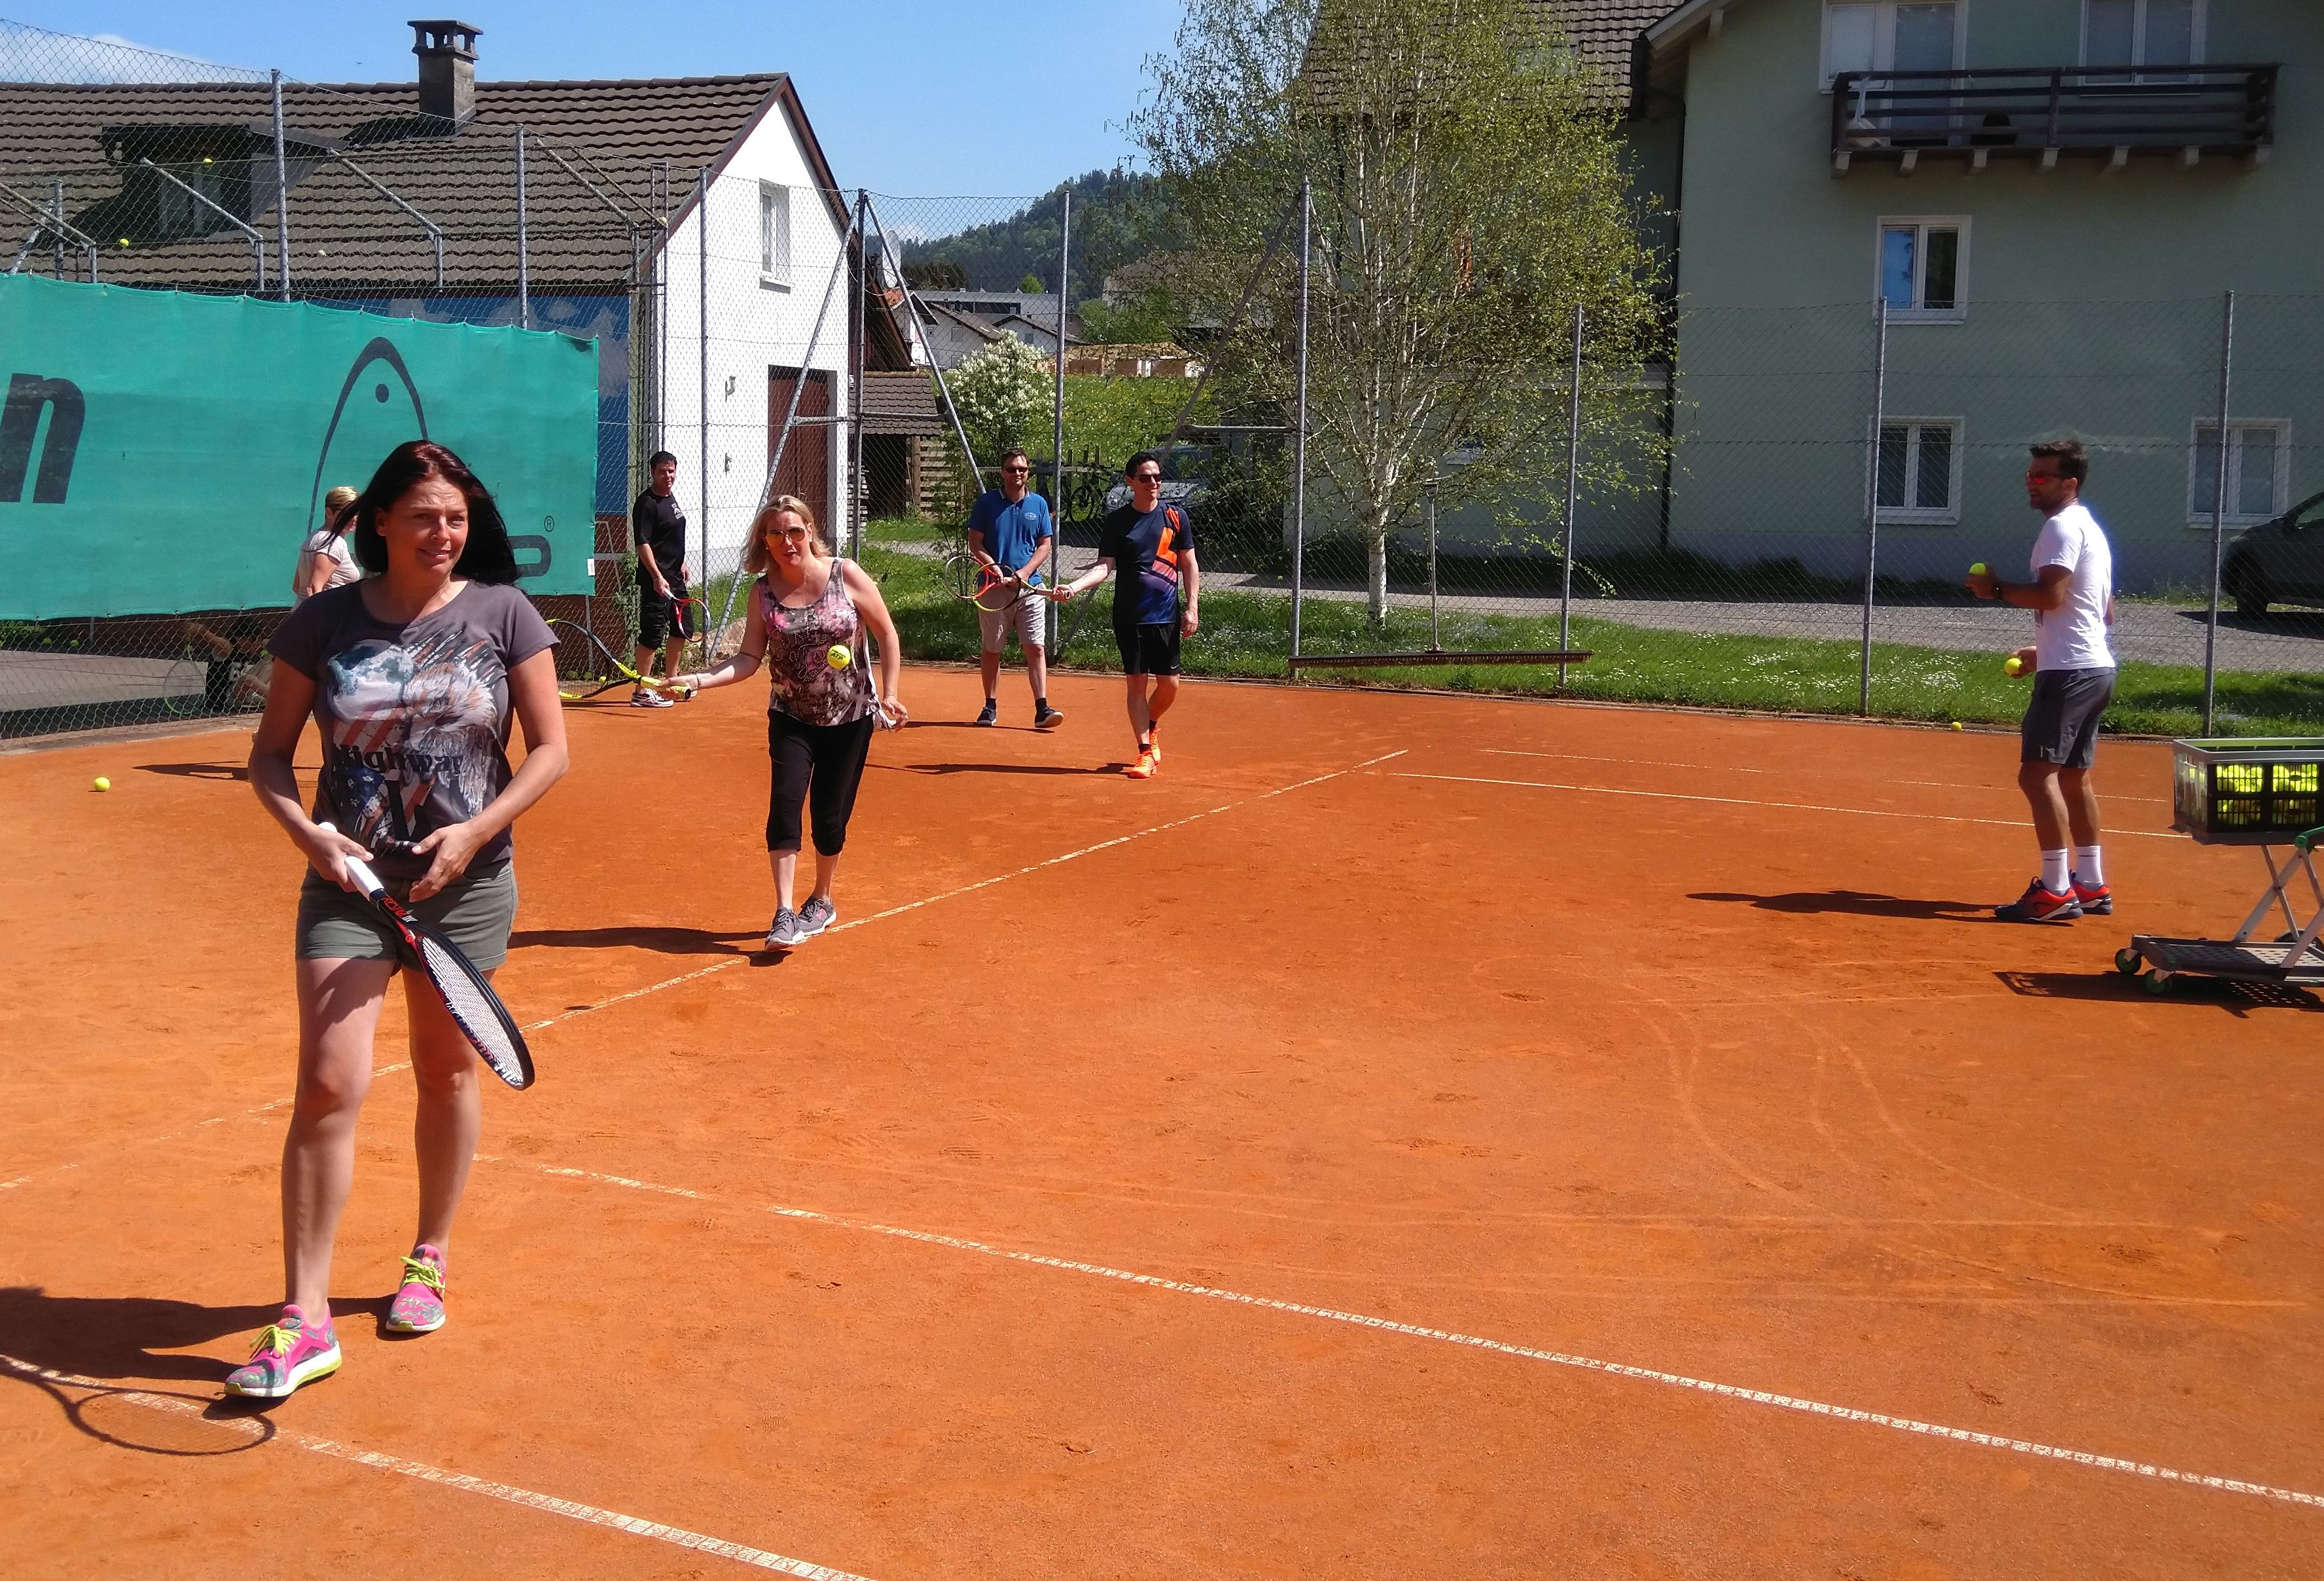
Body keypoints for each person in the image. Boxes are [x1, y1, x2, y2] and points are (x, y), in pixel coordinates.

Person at [230, 440, 568, 1399]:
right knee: (326, 1082)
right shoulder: (324, 620)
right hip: (348, 884)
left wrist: (477, 832)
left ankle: (429, 1254)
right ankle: (304, 1317)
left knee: (443, 1068)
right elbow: (268, 754)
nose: (442, 533)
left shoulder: (504, 612)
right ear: (380, 521)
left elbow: (549, 750)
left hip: (466, 882)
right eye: (423, 516)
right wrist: (307, 835)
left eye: (455, 518)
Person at [677, 494, 906, 950]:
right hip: (791, 718)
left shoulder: (845, 574)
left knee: (828, 817)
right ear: (765, 540)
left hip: (850, 718)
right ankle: (783, 912)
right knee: (784, 805)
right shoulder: (763, 592)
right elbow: (748, 659)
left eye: (795, 531)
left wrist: (892, 694)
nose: (787, 542)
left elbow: (886, 633)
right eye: (776, 534)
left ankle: (821, 899)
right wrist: (698, 680)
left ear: (810, 532)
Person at [1968, 438, 2116, 923]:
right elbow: (2104, 610)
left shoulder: (2060, 527)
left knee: (2036, 775)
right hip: (2092, 667)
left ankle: (2054, 892)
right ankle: (2090, 884)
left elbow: (2051, 597)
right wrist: (2046, 651)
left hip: (2072, 673)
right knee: (2073, 776)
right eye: (2029, 475)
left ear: (2069, 483)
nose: (2031, 483)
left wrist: (1995, 589)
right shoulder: (2089, 526)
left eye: (2042, 476)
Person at [1054, 450, 1199, 779]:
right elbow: (1104, 567)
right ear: (1130, 481)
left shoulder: (1176, 517)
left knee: (1170, 685)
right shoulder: (1117, 522)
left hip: (1166, 615)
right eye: (1145, 477)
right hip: (1130, 617)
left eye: (1157, 477)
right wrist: (1074, 587)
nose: (1153, 482)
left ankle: (1151, 725)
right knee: (1137, 685)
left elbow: (1189, 563)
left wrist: (1192, 607)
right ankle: (1144, 751)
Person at [966, 446, 1063, 730]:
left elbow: (1044, 545)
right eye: (1011, 469)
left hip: (1030, 588)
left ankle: (1042, 709)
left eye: (1022, 469)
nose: (1017, 473)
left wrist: (1023, 574)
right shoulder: (986, 503)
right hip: (994, 589)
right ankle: (990, 706)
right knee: (992, 649)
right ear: (1002, 473)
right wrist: (993, 568)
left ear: (1028, 472)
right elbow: (975, 543)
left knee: (1036, 648)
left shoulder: (1039, 504)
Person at [631, 450, 691, 708]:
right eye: (662, 472)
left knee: (683, 628)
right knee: (652, 634)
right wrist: (657, 576)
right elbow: (642, 543)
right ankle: (641, 692)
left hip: (675, 578)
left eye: (671, 471)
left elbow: (670, 536)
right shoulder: (647, 503)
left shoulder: (670, 498)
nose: (668, 476)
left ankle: (670, 683)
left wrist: (681, 562)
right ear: (653, 473)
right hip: (657, 582)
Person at [295, 486, 365, 601]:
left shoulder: (314, 537)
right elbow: (313, 589)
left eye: (356, 512)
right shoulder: (334, 543)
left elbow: (297, 587)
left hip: (303, 610)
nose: (353, 518)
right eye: (347, 512)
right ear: (329, 512)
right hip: (320, 612)